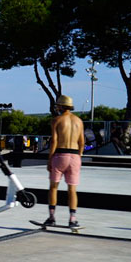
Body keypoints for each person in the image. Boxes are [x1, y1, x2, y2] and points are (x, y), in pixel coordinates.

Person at [44, 95, 84, 228]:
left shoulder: (57, 120)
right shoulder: (79, 121)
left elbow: (54, 141)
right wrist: (79, 155)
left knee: (53, 187)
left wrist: (50, 159)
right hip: (75, 156)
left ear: (61, 106)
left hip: (60, 155)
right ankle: (73, 219)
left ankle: (51, 217)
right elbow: (82, 142)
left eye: (58, 106)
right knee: (72, 190)